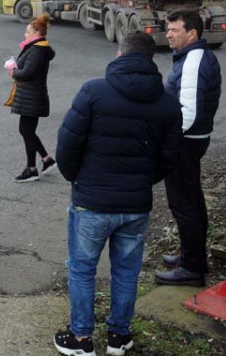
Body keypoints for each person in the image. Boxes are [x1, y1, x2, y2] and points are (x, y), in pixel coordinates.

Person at [53, 32, 182, 356]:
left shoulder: (94, 92)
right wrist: (141, 181)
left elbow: (67, 145)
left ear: (120, 53)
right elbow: (170, 156)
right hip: (135, 203)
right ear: (152, 60)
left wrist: (78, 180)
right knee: (126, 272)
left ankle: (81, 340)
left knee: (83, 269)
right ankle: (118, 337)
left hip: (92, 201)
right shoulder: (167, 103)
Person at [155, 9, 221, 287]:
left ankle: (192, 268)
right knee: (191, 200)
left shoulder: (194, 59)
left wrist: (169, 140)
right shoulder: (193, 56)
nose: (168, 34)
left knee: (185, 205)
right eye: (167, 29)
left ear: (191, 33)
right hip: (191, 141)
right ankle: (190, 256)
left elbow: (189, 112)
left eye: (174, 30)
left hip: (185, 143)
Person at [5, 13, 57, 182]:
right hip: (32, 96)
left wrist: (14, 72)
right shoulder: (37, 48)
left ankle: (32, 169)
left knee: (26, 131)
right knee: (27, 130)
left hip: (32, 97)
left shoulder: (37, 50)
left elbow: (28, 72)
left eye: (28, 32)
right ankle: (46, 159)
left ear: (36, 34)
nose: (25, 34)